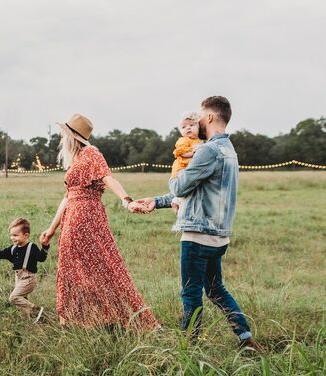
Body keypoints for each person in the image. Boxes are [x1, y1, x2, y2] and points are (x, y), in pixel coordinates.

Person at [133, 96, 260, 350]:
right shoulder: (229, 151)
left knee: (190, 293)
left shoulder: (208, 150)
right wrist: (157, 201)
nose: (198, 121)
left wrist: (176, 169)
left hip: (197, 234)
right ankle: (245, 339)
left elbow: (180, 185)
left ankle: (188, 348)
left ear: (210, 117)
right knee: (215, 290)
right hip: (219, 235)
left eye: (201, 116)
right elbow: (197, 192)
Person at [40, 113, 158, 329]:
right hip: (72, 218)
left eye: (63, 134)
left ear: (72, 136)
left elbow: (108, 177)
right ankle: (77, 320)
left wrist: (127, 200)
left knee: (102, 266)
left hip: (86, 217)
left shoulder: (91, 153)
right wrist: (51, 228)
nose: (60, 138)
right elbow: (68, 196)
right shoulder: (76, 159)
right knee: (72, 270)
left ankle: (113, 317)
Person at [0, 218, 49, 323]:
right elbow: (0, 254)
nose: (12, 238)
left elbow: (41, 258)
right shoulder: (13, 249)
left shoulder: (31, 247)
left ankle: (36, 310)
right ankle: (32, 321)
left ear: (26, 235)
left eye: (15, 235)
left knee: (14, 298)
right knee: (22, 304)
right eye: (11, 235)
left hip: (28, 278)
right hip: (18, 278)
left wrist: (45, 246)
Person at [171, 112, 204, 213]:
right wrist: (193, 152)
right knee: (185, 184)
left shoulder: (200, 141)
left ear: (198, 127)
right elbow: (181, 153)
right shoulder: (183, 140)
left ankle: (177, 201)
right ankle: (177, 201)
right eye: (184, 127)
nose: (188, 128)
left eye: (191, 125)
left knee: (193, 186)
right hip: (181, 168)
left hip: (190, 168)